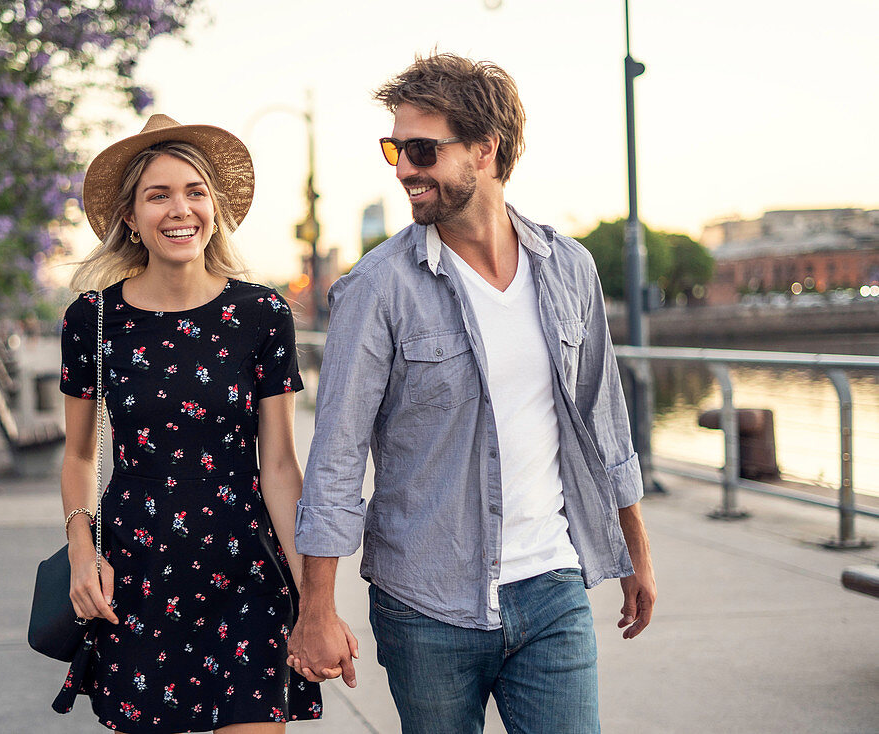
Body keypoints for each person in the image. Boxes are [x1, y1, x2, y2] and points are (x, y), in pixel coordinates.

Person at [287, 54, 657, 734]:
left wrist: (634, 551)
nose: (402, 169)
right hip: (425, 604)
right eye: (394, 149)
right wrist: (317, 608)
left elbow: (606, 422)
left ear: (486, 149)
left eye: (422, 149)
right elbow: (335, 460)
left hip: (553, 586)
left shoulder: (567, 267)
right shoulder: (376, 290)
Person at [53, 114, 332, 733]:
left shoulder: (261, 313)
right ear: (130, 217)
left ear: (214, 207)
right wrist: (82, 552)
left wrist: (315, 599)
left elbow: (281, 466)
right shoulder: (92, 320)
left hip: (246, 577)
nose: (180, 210)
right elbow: (77, 456)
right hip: (136, 575)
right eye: (159, 195)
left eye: (195, 192)